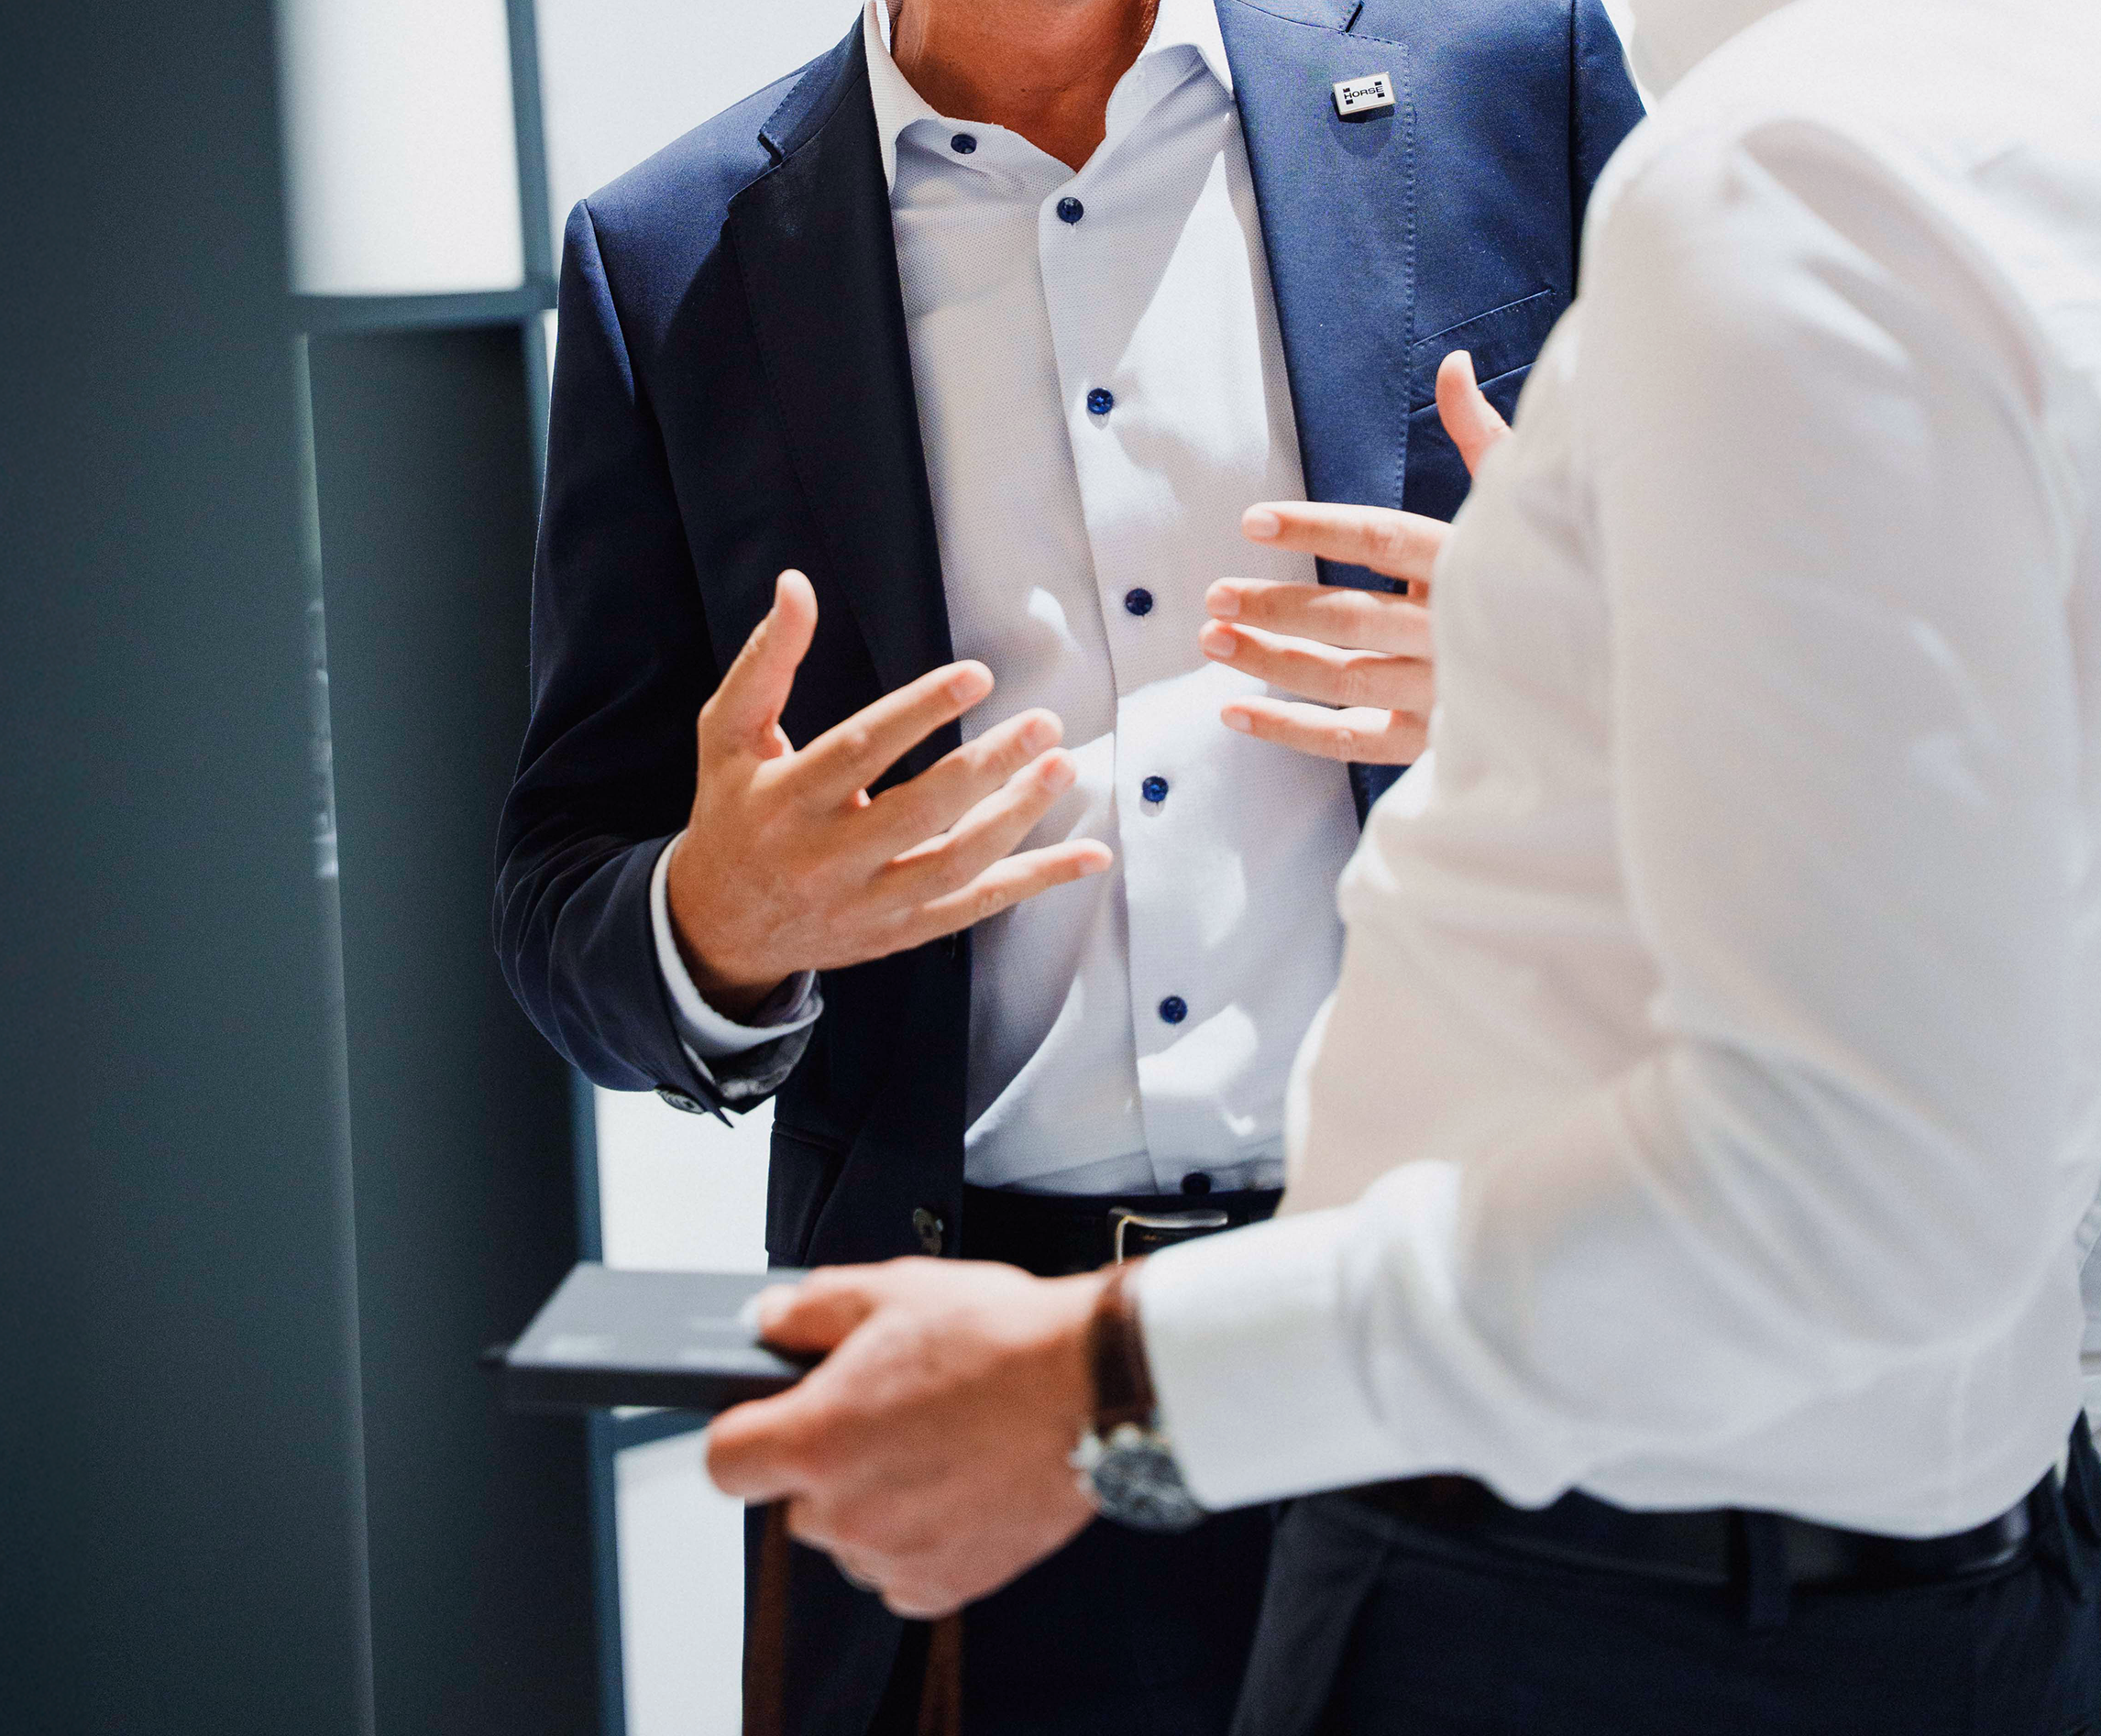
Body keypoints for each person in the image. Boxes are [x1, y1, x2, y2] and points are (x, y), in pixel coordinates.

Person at [697, 0, 2101, 1729]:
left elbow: (1834, 1175)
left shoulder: (1773, 177)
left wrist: (1109, 1384)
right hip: (1958, 1546)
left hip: (1584, 1572)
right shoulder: (2091, 122)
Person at [491, 0, 1636, 1725]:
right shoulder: (667, 254)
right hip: (988, 1415)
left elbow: (1815, 649)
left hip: (1482, 1330)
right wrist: (715, 919)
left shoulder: (1509, 75)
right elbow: (559, 896)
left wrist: (1577, 674)